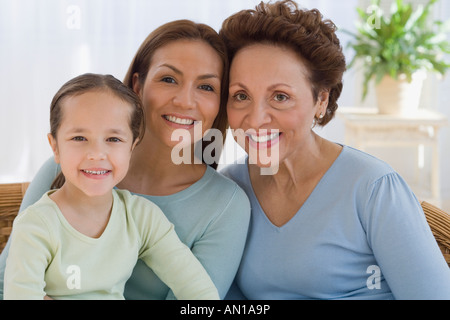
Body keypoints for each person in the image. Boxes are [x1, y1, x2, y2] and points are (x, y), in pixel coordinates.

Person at [0, 20, 250, 300]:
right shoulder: (65, 170)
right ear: (137, 86)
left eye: (206, 87)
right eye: (168, 79)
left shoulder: (222, 206)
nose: (185, 101)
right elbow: (5, 284)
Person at [219, 0, 450, 300]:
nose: (256, 118)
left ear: (321, 101)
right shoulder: (230, 190)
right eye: (240, 95)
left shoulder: (372, 188)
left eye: (280, 96)